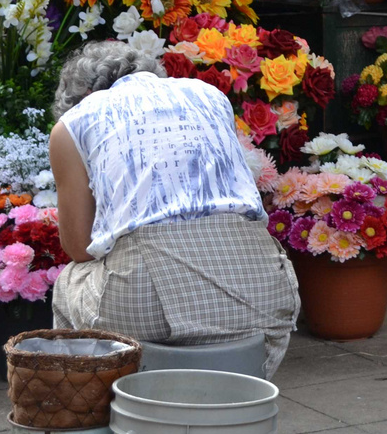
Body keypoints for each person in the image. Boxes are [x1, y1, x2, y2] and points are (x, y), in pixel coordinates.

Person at [48, 40, 298, 376]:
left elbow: (78, 248)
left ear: (76, 98)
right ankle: (240, 411)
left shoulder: (73, 124)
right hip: (264, 289)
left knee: (70, 282)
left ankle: (89, 417)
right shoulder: (209, 95)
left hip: (143, 296)